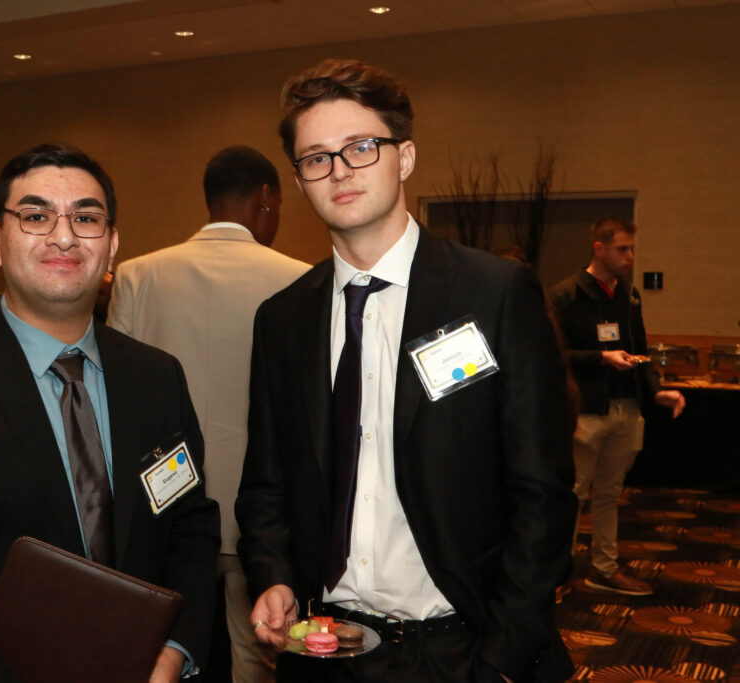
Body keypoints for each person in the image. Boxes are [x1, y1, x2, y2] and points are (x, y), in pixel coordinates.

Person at [234, 59, 577, 682]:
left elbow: (543, 489)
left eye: (361, 147)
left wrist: (503, 657)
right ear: (300, 181)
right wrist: (274, 575)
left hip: (460, 649)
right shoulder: (282, 319)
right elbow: (266, 485)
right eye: (316, 158)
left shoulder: (493, 294)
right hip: (326, 648)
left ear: (406, 157)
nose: (340, 170)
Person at [0, 143, 220, 682]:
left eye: (86, 218)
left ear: (112, 246)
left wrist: (175, 649)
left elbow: (189, 526)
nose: (64, 236)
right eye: (35, 216)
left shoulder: (156, 376)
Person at [108, 145, 309, 683]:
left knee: (154, 649)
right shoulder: (302, 280)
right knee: (262, 652)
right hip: (261, 510)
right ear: (265, 197)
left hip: (162, 505)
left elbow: (115, 400)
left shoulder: (137, 275)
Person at [549, 218, 685, 597]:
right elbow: (554, 356)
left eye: (632, 249)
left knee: (610, 494)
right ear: (599, 249)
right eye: (622, 249)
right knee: (573, 495)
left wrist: (657, 391)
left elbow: (640, 349)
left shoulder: (629, 294)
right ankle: (557, 573)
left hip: (626, 406)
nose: (630, 257)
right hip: (585, 410)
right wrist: (601, 358)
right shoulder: (565, 294)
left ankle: (604, 569)